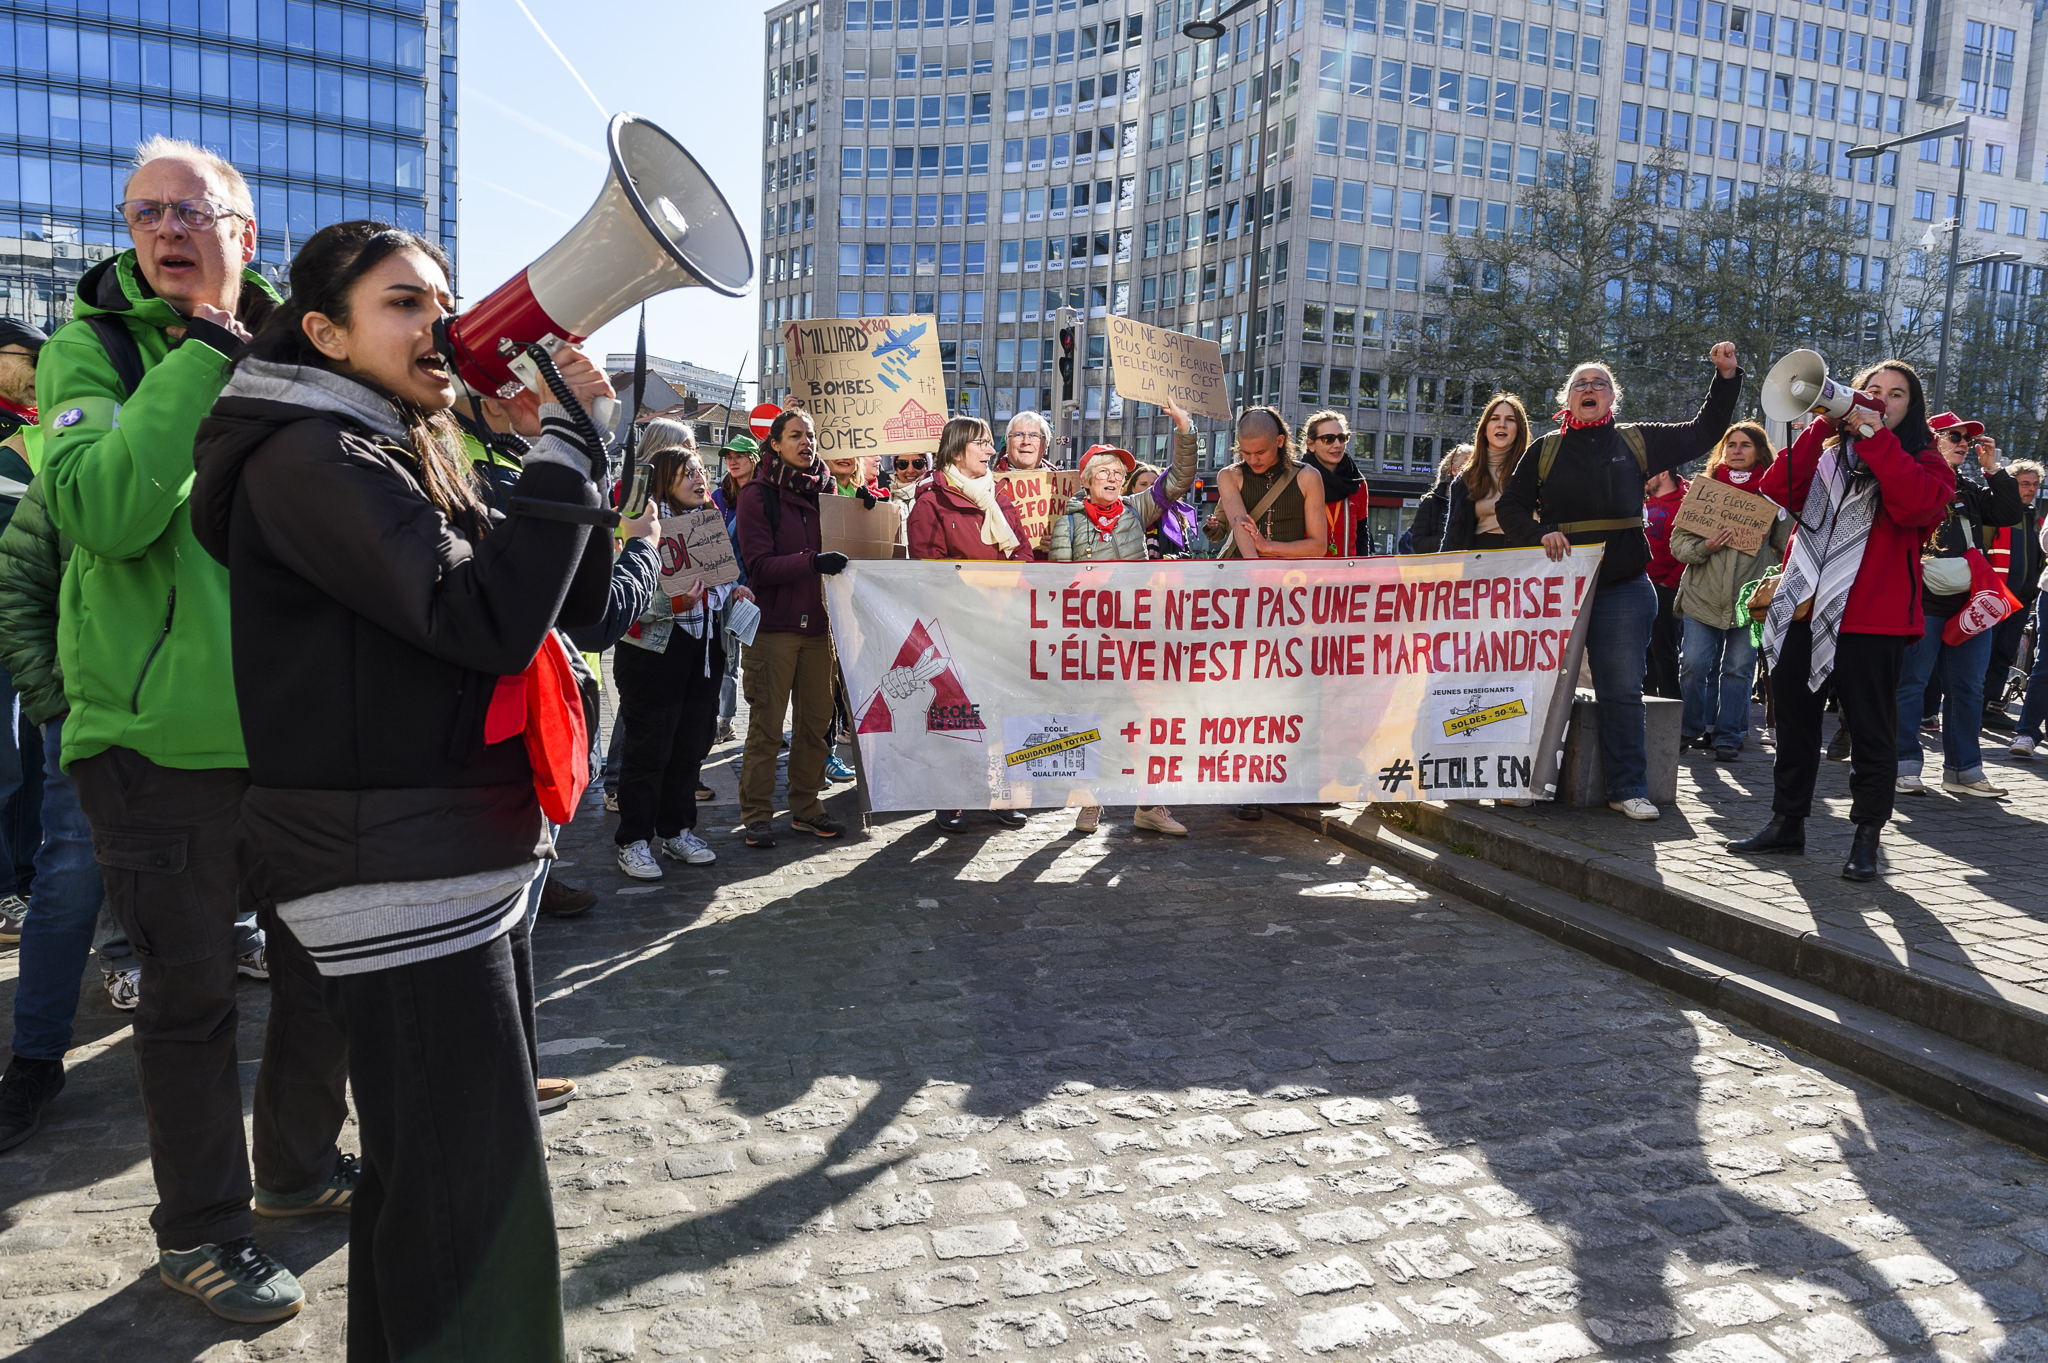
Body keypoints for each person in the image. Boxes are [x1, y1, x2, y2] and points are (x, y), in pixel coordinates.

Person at [191, 219, 616, 1359]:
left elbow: (575, 607)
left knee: (429, 1183)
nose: (442, 324)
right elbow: (483, 621)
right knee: (470, 1209)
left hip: (441, 855)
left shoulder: (393, 443)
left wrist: (557, 452)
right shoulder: (309, 457)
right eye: (404, 303)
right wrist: (566, 452)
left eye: (443, 299)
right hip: (396, 869)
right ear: (324, 332)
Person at [32, 137, 350, 1322]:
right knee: (189, 1000)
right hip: (155, 747)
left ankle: (299, 1168)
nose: (166, 230)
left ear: (244, 233)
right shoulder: (93, 348)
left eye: (192, 211)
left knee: (324, 973)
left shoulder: (303, 339)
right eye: (144, 212)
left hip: (301, 735)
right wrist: (207, 355)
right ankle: (202, 1232)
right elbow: (103, 510)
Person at [1729, 361, 1953, 881]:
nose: (1881, 399)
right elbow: (1778, 487)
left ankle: (1866, 835)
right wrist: (1822, 424)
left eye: (1895, 394)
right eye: (1871, 390)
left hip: (1873, 619)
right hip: (1805, 607)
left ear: (1911, 408)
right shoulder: (1830, 451)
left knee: (1871, 731)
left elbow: (1916, 507)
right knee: (1794, 722)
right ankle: (1787, 822)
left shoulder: (1926, 462)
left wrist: (1875, 438)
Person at [1498, 344, 1742, 821]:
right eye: (1580, 384)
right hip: (1560, 588)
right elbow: (1510, 507)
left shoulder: (1636, 441)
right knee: (1542, 686)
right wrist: (1537, 533)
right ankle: (1528, 780)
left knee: (1622, 690)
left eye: (1599, 383)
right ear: (1567, 398)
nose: (1589, 389)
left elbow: (1705, 431)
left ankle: (1628, 788)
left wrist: (1726, 377)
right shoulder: (1544, 449)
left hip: (1623, 587)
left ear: (1613, 397)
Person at [1049, 405, 1198, 836]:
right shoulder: (1069, 522)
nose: (1114, 478)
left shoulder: (1136, 509)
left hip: (1136, 633)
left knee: (1148, 718)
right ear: (1086, 480)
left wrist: (1184, 427)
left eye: (1119, 472)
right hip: (1091, 638)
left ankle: (1150, 805)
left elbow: (1179, 479)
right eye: (1105, 472)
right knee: (1093, 718)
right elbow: (1056, 583)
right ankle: (1089, 802)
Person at [613, 424, 752, 879]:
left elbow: (721, 577)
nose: (699, 478)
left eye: (700, 471)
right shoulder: (638, 524)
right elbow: (620, 591)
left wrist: (733, 592)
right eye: (687, 472)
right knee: (648, 748)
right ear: (663, 479)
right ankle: (634, 840)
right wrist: (670, 605)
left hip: (704, 649)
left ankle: (677, 831)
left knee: (690, 744)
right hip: (653, 653)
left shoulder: (708, 520)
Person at [907, 416, 1033, 834]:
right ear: (957, 449)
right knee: (957, 714)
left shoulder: (1000, 497)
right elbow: (929, 566)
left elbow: (1024, 554)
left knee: (1001, 711)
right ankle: (953, 797)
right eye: (981, 443)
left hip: (1000, 624)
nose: (990, 450)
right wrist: (982, 584)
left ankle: (1002, 794)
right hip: (958, 626)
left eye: (990, 443)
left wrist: (1003, 589)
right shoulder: (931, 501)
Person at [1890, 412, 2025, 798]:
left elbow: (2009, 513)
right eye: (1955, 436)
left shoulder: (1969, 487)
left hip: (1969, 599)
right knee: (1912, 683)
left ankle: (1964, 771)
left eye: (1968, 438)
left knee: (1968, 686)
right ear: (1932, 438)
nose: (1964, 443)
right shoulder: (1913, 476)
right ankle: (1904, 765)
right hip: (1922, 596)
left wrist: (1993, 469)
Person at [737, 409, 848, 848]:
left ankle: (806, 807)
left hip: (820, 627)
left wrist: (863, 513)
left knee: (815, 725)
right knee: (766, 727)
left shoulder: (829, 491)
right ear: (775, 444)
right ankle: (757, 815)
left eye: (811, 436)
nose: (807, 443)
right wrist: (812, 562)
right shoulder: (757, 494)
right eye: (796, 435)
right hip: (774, 628)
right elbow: (760, 566)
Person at [1669, 422, 1789, 761]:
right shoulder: (1704, 492)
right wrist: (1705, 546)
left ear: (1759, 451)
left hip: (1749, 602)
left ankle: (1728, 735)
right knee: (1693, 664)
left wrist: (1764, 567)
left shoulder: (1772, 497)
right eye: (1731, 444)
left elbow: (1785, 548)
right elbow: (1678, 545)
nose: (1737, 450)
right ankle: (1690, 728)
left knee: (1738, 669)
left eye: (1745, 445)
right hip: (1702, 597)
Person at [0, 319, 47, 945]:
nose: (40, 368)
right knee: (6, 763)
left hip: (30, 629)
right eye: (28, 356)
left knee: (32, 764)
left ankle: (26, 881)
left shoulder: (36, 428)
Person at [1981, 458, 2042, 731]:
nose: (2031, 489)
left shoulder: (2033, 518)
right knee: (1984, 653)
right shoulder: (1998, 513)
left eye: (2035, 484)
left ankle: (1991, 707)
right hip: (1995, 596)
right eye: (2025, 483)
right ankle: (1973, 707)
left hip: (2021, 600)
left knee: (2004, 653)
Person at [710, 434, 759, 745]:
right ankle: (724, 721)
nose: (732, 461)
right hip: (725, 589)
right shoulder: (718, 496)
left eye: (739, 455)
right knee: (728, 658)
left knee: (758, 662)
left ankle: (763, 722)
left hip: (759, 589)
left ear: (754, 459)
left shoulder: (765, 495)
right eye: (728, 456)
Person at [1441, 397, 1532, 553]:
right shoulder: (1466, 478)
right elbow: (1453, 538)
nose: (1502, 424)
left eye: (1510, 419)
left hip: (1526, 561)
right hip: (1479, 561)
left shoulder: (1534, 470)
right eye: (1495, 418)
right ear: (1484, 428)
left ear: (1520, 429)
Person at [1642, 469, 1689, 700]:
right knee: (1642, 652)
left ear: (1662, 473)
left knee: (1664, 651)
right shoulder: (1640, 500)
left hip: (1666, 589)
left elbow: (1690, 547)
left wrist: (1669, 583)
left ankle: (1672, 705)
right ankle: (1646, 707)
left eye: (1647, 473)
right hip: (1639, 584)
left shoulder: (1687, 502)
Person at [1301, 409, 1372, 557]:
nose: (1337, 444)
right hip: (1307, 568)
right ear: (1311, 444)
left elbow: (1362, 533)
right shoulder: (1298, 479)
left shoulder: (1357, 483)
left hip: (1347, 568)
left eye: (1342, 438)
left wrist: (1363, 567)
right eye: (1328, 439)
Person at [1127, 461, 1203, 559]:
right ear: (1133, 488)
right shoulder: (1122, 514)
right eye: (1143, 484)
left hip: (1164, 568)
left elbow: (1186, 554)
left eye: (1153, 484)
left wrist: (1172, 558)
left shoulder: (1173, 517)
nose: (1149, 488)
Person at [1406, 443, 1472, 553]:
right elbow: (1418, 544)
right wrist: (1451, 539)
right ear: (1453, 470)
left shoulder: (1480, 500)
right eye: (1465, 467)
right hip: (1440, 562)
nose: (1471, 472)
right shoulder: (1431, 502)